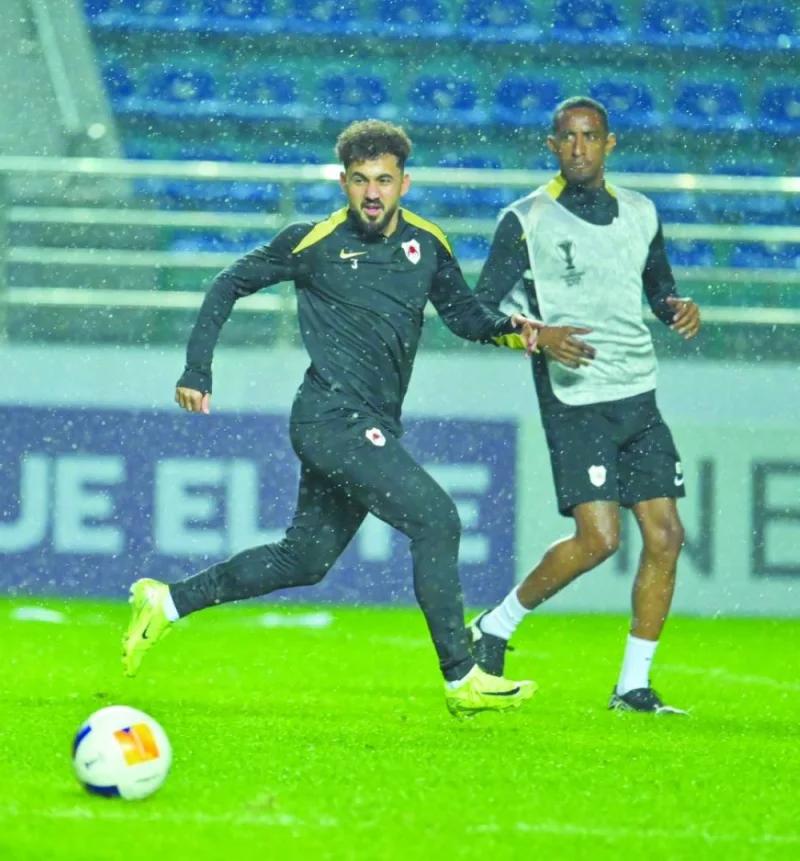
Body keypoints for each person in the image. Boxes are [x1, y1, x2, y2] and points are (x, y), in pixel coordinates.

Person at [121, 119, 540, 718]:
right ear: (344, 182)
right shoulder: (314, 242)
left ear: (404, 184)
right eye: (361, 180)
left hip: (366, 424)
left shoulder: (428, 243)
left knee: (304, 561)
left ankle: (167, 602)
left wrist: (513, 330)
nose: (372, 192)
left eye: (384, 180)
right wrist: (197, 370)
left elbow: (465, 316)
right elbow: (227, 283)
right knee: (438, 520)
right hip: (330, 418)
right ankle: (462, 677)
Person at [470, 96, 701, 715]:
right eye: (568, 138)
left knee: (666, 535)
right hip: (576, 399)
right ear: (552, 146)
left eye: (590, 136)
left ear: (609, 143)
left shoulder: (642, 212)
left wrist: (677, 308)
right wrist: (536, 335)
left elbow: (659, 288)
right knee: (598, 540)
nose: (579, 148)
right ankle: (495, 624)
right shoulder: (526, 220)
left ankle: (632, 686)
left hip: (638, 393)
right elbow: (478, 311)